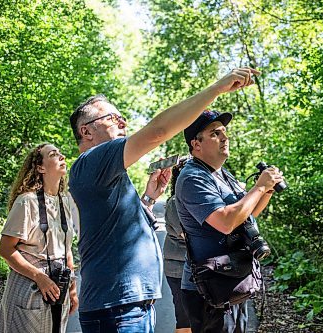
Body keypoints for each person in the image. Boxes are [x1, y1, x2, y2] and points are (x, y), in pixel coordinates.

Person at [68, 67, 260, 333]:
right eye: (113, 118)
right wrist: (217, 88)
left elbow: (117, 230)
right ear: (86, 131)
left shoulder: (106, 173)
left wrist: (149, 197)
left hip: (132, 306)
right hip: (115, 309)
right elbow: (158, 131)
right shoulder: (92, 160)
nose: (124, 123)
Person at [175, 110, 284, 332]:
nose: (225, 138)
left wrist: (267, 190)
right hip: (209, 289)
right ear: (196, 144)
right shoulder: (193, 178)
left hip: (233, 279)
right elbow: (226, 223)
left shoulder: (222, 174)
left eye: (224, 132)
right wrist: (259, 186)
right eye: (215, 133)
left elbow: (245, 217)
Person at [0, 143, 78, 333]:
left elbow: (66, 250)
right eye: (53, 154)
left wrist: (72, 288)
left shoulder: (64, 200)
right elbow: (6, 249)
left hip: (59, 285)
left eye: (60, 152)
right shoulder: (27, 201)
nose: (61, 156)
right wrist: (39, 277)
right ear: (40, 167)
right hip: (29, 285)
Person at [164, 161, 191, 333]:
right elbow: (190, 236)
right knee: (185, 320)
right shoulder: (175, 203)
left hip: (199, 269)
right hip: (179, 270)